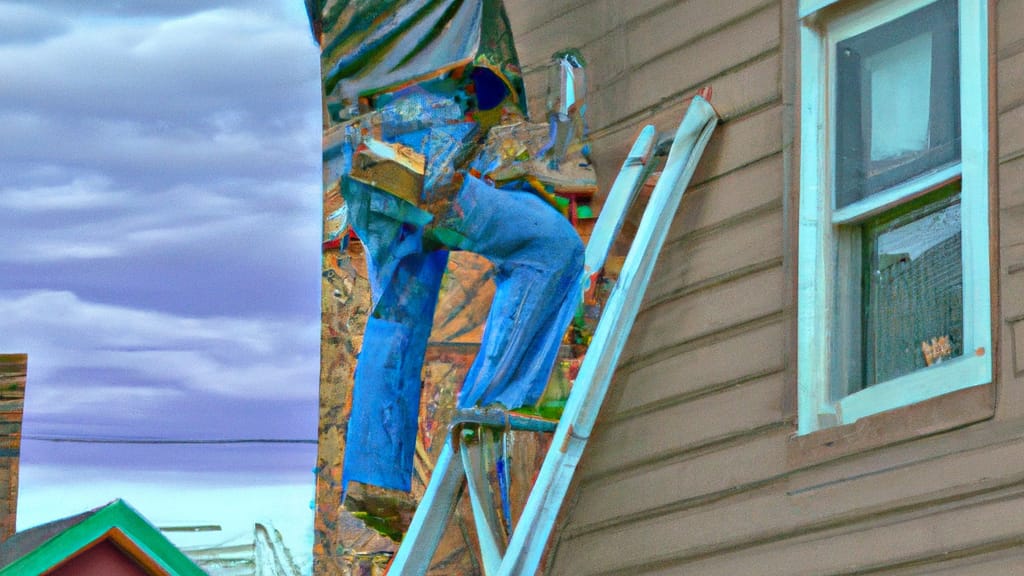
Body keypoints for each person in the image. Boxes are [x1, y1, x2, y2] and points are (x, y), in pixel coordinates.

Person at [317, 0, 587, 494]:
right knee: (550, 245)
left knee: (400, 306)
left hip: (361, 157)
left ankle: (374, 482)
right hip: (422, 148)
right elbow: (487, 95)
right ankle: (492, 404)